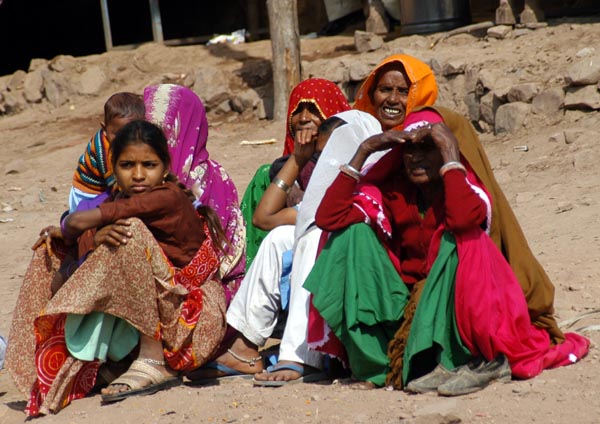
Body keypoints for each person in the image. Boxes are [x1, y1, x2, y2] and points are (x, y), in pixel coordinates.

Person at [305, 106, 590, 393]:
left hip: (451, 312)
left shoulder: (467, 191)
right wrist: (365, 150)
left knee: (464, 239)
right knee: (351, 235)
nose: (415, 158)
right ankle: (378, 367)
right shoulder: (393, 191)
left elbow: (463, 219)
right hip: (404, 308)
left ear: (448, 148)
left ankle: (454, 359)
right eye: (409, 150)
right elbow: (328, 218)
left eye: (428, 148)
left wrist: (452, 157)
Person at [5, 120, 230, 416]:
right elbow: (76, 231)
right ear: (113, 168)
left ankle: (153, 360)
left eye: (148, 165)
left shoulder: (167, 197)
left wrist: (82, 233)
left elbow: (74, 221)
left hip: (191, 320)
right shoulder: (122, 197)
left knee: (129, 232)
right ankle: (104, 361)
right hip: (162, 310)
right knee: (53, 249)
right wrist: (86, 238)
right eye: (127, 165)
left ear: (164, 168)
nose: (138, 175)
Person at [252, 53, 439, 386]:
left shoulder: (429, 138)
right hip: (363, 240)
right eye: (384, 89)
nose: (393, 99)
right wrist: (352, 153)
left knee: (323, 234)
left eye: (403, 90)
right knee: (286, 237)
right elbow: (270, 218)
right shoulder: (361, 137)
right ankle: (246, 342)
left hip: (415, 262)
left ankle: (301, 355)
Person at [188, 115, 348, 381]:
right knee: (280, 237)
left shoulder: (367, 190)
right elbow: (263, 218)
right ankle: (246, 348)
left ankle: (300, 357)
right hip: (316, 277)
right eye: (322, 158)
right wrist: (298, 158)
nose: (330, 165)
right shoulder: (318, 200)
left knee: (312, 237)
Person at [144, 83, 246, 304]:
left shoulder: (216, 183)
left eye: (164, 134)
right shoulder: (135, 179)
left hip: (204, 298)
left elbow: (225, 266)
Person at [241, 78, 351, 269]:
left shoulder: (351, 171)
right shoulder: (270, 174)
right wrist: (298, 160)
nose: (303, 118)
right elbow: (259, 222)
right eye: (297, 111)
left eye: (314, 110)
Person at [69, 92, 145, 213]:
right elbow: (118, 185)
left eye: (132, 133)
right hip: (88, 195)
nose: (125, 140)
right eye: (118, 134)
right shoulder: (105, 150)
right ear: (104, 129)